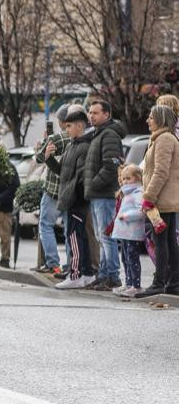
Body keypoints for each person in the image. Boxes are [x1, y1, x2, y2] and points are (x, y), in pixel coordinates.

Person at [48, 107, 96, 290]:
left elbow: (82, 177)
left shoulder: (84, 146)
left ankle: (75, 274)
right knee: (79, 237)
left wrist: (72, 194)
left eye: (69, 126)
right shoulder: (72, 145)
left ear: (79, 126)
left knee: (74, 238)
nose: (66, 129)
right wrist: (49, 159)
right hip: (71, 199)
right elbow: (62, 172)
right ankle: (87, 274)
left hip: (77, 201)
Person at [135, 105, 179, 298]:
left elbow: (161, 171)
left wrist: (148, 198)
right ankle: (173, 282)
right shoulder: (161, 138)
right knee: (168, 241)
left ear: (161, 119)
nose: (148, 120)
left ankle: (159, 282)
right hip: (164, 198)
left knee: (161, 241)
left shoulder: (165, 139)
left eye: (151, 117)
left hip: (162, 200)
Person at [83, 100, 125, 291]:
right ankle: (104, 274)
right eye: (90, 112)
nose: (91, 116)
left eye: (95, 113)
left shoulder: (108, 135)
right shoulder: (98, 134)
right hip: (98, 194)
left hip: (105, 194)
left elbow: (111, 166)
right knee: (102, 236)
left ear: (107, 115)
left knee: (106, 236)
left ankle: (112, 277)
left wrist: (93, 184)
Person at [33, 106, 70, 275]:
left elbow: (40, 157)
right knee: (69, 229)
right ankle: (71, 264)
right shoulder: (83, 138)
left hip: (53, 189)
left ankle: (53, 262)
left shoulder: (57, 138)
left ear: (62, 121)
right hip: (71, 190)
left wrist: (41, 145)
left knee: (46, 225)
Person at [112, 165, 145, 297]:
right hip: (125, 233)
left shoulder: (138, 192)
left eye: (128, 178)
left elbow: (141, 211)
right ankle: (128, 283)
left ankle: (136, 286)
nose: (125, 181)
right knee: (125, 259)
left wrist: (126, 216)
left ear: (137, 178)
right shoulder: (127, 193)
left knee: (132, 258)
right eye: (123, 178)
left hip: (133, 233)